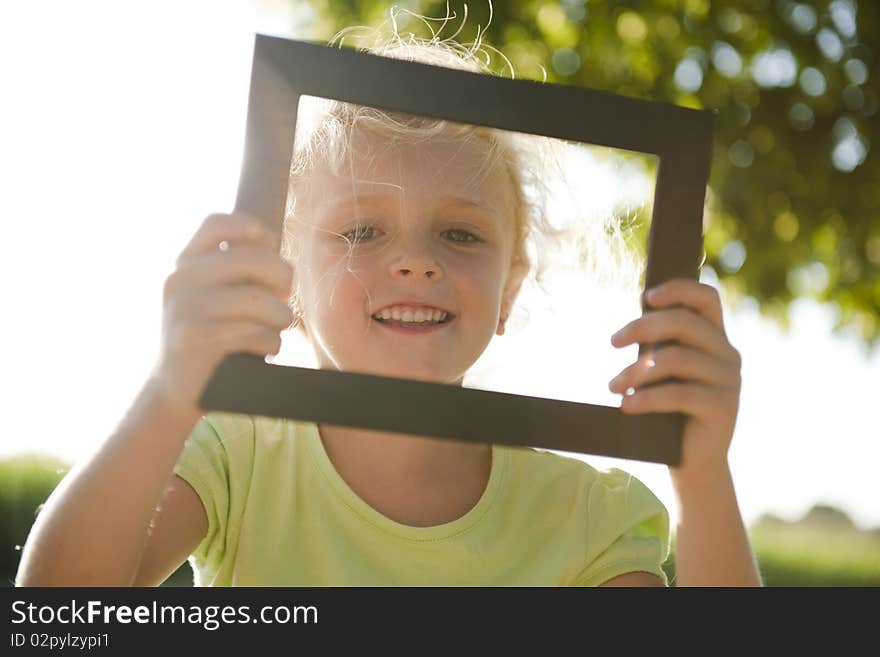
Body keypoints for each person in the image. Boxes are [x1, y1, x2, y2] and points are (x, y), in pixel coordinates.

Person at [15, 18, 761, 587]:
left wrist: (702, 472)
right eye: (362, 230)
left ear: (511, 289)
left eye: (462, 234)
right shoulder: (239, 456)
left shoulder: (587, 517)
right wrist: (170, 394)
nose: (414, 262)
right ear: (288, 286)